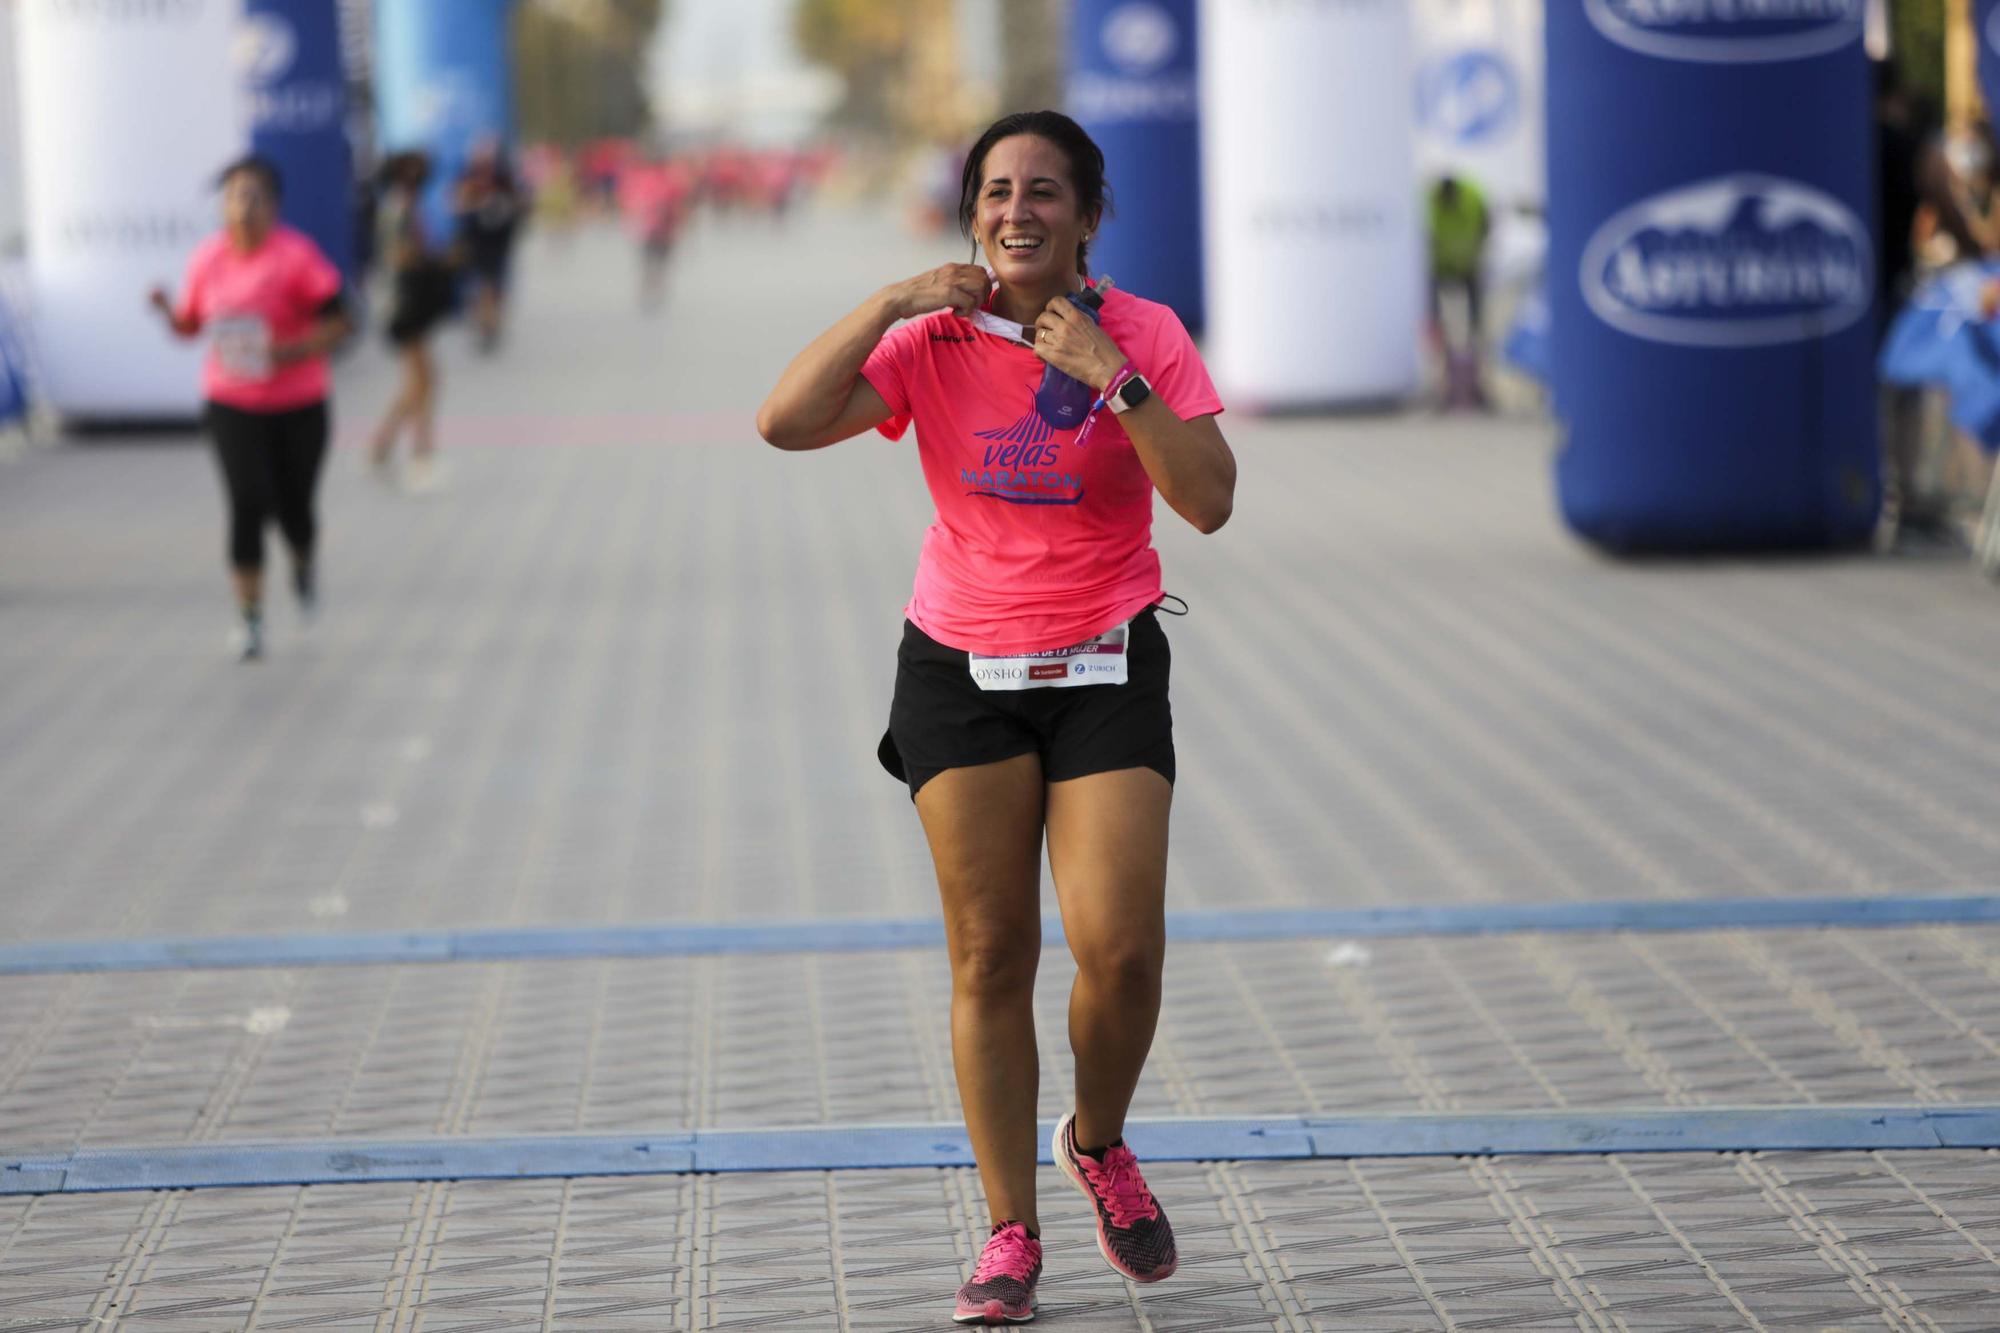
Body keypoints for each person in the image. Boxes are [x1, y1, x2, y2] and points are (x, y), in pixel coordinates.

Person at [757, 109, 1235, 1326]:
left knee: (1119, 949)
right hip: (960, 668)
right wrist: (888, 301)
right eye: (993, 192)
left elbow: (1209, 502)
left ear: (1087, 214)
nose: (1016, 210)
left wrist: (1109, 378)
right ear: (970, 213)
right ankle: (1009, 1231)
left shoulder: (1144, 334)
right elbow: (785, 419)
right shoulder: (933, 339)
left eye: (1043, 192)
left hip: (1103, 659)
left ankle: (1101, 1140)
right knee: (989, 955)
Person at [148, 155, 350, 662]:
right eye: (234, 195)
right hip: (231, 401)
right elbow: (191, 327)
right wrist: (165, 311)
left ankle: (303, 565)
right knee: (246, 503)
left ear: (273, 205)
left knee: (294, 509)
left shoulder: (296, 257)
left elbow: (343, 319)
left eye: (254, 196)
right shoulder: (208, 259)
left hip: (298, 401)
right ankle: (251, 619)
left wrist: (293, 350)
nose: (243, 206)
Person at [368, 151, 451, 493]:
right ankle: (419, 452)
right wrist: (436, 260)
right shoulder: (397, 206)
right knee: (422, 379)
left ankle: (386, 445)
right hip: (403, 304)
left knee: (424, 379)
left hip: (413, 302)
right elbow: (398, 254)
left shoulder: (406, 204)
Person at [452, 141, 526, 353]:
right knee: (482, 284)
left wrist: (501, 205)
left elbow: (518, 204)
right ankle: (485, 323)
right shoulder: (468, 178)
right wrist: (477, 203)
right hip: (477, 240)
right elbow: (457, 203)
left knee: (493, 284)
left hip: (498, 240)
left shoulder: (503, 179)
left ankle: (491, 323)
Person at [1427, 173, 1491, 411]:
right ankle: (1444, 387)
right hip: (1438, 268)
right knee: (1437, 327)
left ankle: (1476, 385)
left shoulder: (1473, 198)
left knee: (1477, 329)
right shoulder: (1428, 203)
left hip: (1468, 266)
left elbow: (1486, 228)